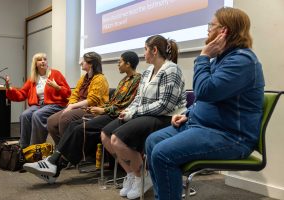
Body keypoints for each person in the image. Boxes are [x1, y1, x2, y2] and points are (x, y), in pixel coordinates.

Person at [145, 7, 265, 200]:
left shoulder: (243, 60)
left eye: (212, 25)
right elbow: (205, 99)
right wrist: (188, 113)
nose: (208, 29)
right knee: (153, 141)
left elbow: (205, 91)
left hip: (231, 136)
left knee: (162, 154)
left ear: (224, 30)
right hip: (203, 127)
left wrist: (203, 57)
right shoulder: (222, 59)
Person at [23, 51, 141, 184]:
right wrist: (72, 104)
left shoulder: (135, 80)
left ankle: (54, 163)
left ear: (128, 64)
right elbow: (79, 95)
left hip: (110, 114)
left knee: (74, 125)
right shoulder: (123, 80)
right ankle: (55, 163)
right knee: (68, 124)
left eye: (120, 61)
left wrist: (103, 109)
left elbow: (122, 104)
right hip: (104, 111)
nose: (118, 64)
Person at [101, 35, 187, 199]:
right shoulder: (147, 72)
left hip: (168, 118)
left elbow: (165, 106)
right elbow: (138, 99)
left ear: (154, 51)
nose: (144, 53)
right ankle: (132, 174)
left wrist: (135, 112)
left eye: (145, 49)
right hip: (147, 114)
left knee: (117, 139)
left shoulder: (172, 70)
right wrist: (129, 111)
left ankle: (142, 176)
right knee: (105, 135)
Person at [5, 52, 71, 148]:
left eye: (45, 59)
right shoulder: (33, 78)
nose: (43, 61)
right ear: (35, 64)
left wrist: (57, 87)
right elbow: (21, 94)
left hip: (55, 104)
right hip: (39, 105)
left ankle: (36, 149)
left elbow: (68, 93)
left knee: (37, 115)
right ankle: (24, 147)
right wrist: (9, 88)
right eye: (40, 60)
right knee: (24, 115)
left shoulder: (55, 74)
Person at [47, 52, 109, 145]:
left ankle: (68, 153)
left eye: (83, 61)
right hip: (78, 107)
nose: (81, 63)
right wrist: (71, 104)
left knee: (65, 119)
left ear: (91, 63)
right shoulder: (84, 77)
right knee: (51, 121)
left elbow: (92, 100)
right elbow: (75, 94)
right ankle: (60, 149)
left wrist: (72, 107)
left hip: (91, 109)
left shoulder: (100, 79)